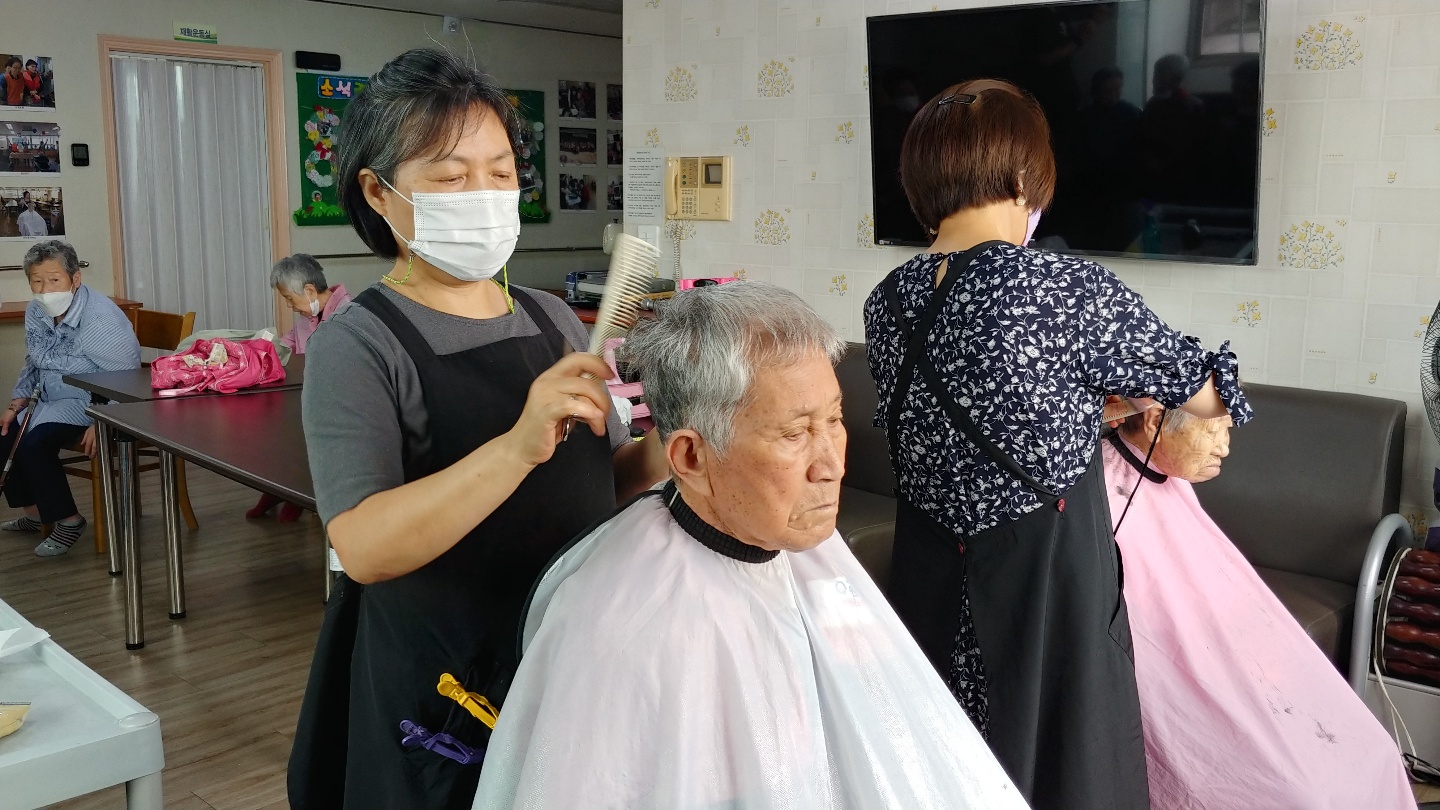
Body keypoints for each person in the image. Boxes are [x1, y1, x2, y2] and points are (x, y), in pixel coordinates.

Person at [473, 282, 1028, 810]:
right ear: (690, 457)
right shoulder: (620, 626)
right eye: (795, 433)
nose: (832, 465)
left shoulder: (815, 556)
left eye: (834, 420)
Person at [287, 48, 668, 810]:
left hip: (567, 669)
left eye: (500, 173)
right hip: (445, 700)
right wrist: (517, 448)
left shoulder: (552, 318)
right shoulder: (357, 345)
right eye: (451, 177)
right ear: (378, 192)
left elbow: (606, 481)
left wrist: (673, 442)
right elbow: (363, 547)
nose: (485, 196)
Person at [863, 79, 1252, 810]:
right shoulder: (1063, 288)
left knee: (942, 765)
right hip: (1042, 584)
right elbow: (1201, 389)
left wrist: (1087, 409)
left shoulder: (886, 302)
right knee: (1063, 772)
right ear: (1023, 176)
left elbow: (980, 416)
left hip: (927, 576)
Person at [1100, 399, 1416, 809]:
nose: (1224, 447)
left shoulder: (1166, 477)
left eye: (1227, 430)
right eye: (1213, 430)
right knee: (1299, 794)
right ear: (1156, 420)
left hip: (1227, 651)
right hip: (1171, 669)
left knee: (1376, 752)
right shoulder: (1106, 496)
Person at [0, 241, 141, 556]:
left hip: (91, 401)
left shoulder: (100, 318)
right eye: (37, 280)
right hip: (49, 396)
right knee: (5, 435)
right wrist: (17, 400)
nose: (44, 289)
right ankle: (36, 514)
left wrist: (106, 420)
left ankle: (69, 520)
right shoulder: (36, 310)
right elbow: (33, 359)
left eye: (54, 279)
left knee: (35, 444)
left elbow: (128, 376)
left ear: (75, 279)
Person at [245, 253, 352, 523]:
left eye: (290, 299)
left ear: (309, 291)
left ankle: (296, 491)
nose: (290, 306)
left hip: (338, 402)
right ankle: (279, 487)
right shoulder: (308, 317)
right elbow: (288, 343)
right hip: (307, 394)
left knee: (295, 427)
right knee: (270, 420)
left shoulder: (348, 315)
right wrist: (260, 347)